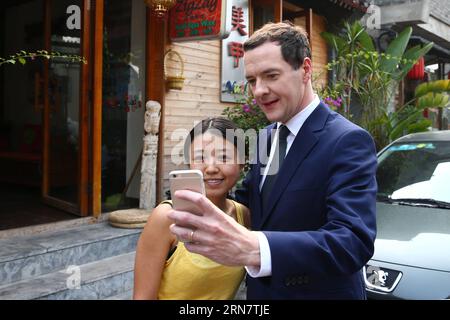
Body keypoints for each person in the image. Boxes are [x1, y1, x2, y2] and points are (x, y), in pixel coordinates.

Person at [168, 21, 378, 299]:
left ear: (305, 69)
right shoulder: (266, 137)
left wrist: (256, 248)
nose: (258, 91)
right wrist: (183, 203)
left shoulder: (347, 140)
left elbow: (352, 242)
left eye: (271, 76)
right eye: (252, 80)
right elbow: (249, 203)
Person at [133, 117, 250, 300]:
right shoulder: (168, 218)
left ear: (242, 163)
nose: (211, 168)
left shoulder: (243, 215)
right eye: (200, 157)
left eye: (224, 157)